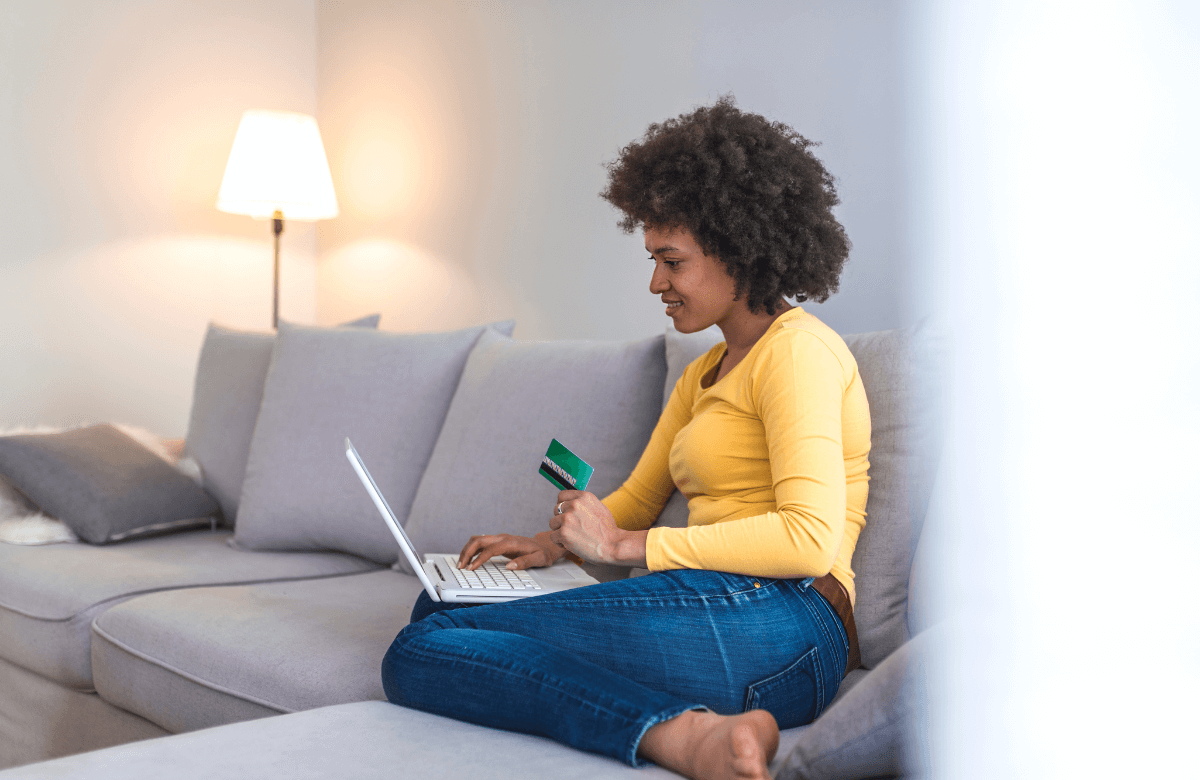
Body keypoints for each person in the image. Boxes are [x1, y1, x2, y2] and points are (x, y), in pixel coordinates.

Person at [381, 96, 870, 780]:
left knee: (419, 650)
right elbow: (639, 496)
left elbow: (808, 539)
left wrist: (617, 546)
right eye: (653, 260)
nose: (654, 282)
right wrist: (549, 544)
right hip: (715, 605)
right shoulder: (703, 373)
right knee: (441, 604)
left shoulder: (798, 353)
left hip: (789, 622)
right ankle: (699, 728)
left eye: (672, 261)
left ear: (740, 250)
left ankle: (681, 739)